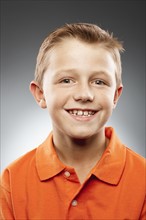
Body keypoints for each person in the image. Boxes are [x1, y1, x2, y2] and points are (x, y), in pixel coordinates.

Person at [0, 23, 145, 220]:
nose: (84, 94)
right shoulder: (12, 180)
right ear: (41, 94)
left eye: (99, 81)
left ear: (115, 96)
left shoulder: (143, 180)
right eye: (67, 80)